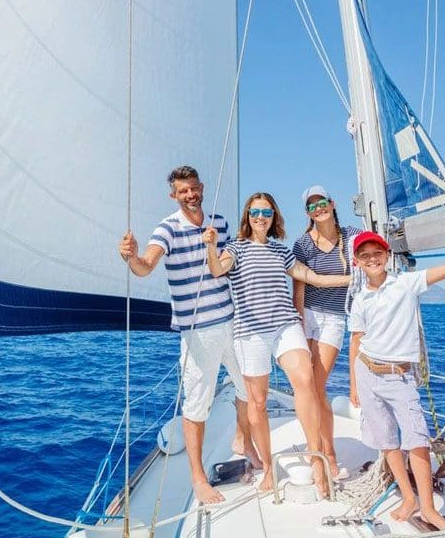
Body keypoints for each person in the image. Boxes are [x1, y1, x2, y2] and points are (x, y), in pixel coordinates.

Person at [118, 166, 260, 505]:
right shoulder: (167, 229)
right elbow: (146, 267)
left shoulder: (220, 223)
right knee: (197, 405)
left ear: (202, 188)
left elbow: (229, 262)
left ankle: (243, 440)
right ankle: (197, 477)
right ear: (174, 195)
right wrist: (131, 257)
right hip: (198, 332)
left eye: (194, 188)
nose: (190, 195)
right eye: (183, 191)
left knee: (249, 387)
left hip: (233, 321)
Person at [203, 192, 350, 495]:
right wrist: (210, 246)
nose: (261, 217)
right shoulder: (236, 249)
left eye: (267, 212)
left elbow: (313, 277)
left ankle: (317, 459)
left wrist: (353, 278)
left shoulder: (280, 251)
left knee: (306, 381)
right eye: (255, 212)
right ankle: (269, 468)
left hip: (285, 325)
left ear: (273, 217)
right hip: (251, 332)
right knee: (257, 402)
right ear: (248, 216)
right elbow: (217, 269)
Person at [347, 231, 445, 530]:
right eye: (365, 255)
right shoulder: (360, 299)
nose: (372, 258)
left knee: (417, 443)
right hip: (367, 372)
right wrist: (353, 384)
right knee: (388, 443)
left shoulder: (405, 283)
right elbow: (356, 340)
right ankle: (408, 498)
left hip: (399, 376)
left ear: (387, 255)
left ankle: (428, 509)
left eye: (378, 252)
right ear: (357, 262)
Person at [291, 185, 359, 479]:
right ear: (307, 213)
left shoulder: (352, 237)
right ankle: (317, 447)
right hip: (307, 315)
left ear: (332, 204)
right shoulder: (303, 244)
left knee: (318, 385)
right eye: (311, 206)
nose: (317, 208)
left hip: (334, 318)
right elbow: (300, 287)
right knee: (306, 386)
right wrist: (298, 323)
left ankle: (326, 452)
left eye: (321, 203)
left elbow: (378, 253)